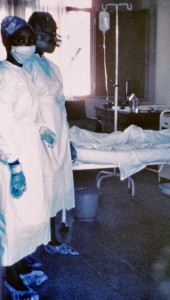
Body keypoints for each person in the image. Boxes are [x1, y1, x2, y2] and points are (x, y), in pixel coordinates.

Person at [0, 16, 56, 299]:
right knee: (14, 216)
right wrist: (15, 165)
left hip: (30, 151)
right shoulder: (3, 75)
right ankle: (10, 275)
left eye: (30, 39)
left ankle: (21, 264)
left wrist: (42, 128)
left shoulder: (23, 72)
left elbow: (29, 115)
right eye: (20, 40)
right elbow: (3, 125)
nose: (27, 45)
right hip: (13, 157)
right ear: (7, 43)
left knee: (30, 215)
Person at [24, 12, 77, 255]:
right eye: (49, 32)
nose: (53, 39)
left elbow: (61, 104)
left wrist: (68, 141)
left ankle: (53, 240)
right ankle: (30, 248)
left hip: (58, 133)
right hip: (37, 135)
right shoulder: (23, 65)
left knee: (54, 187)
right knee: (38, 190)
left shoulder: (53, 67)